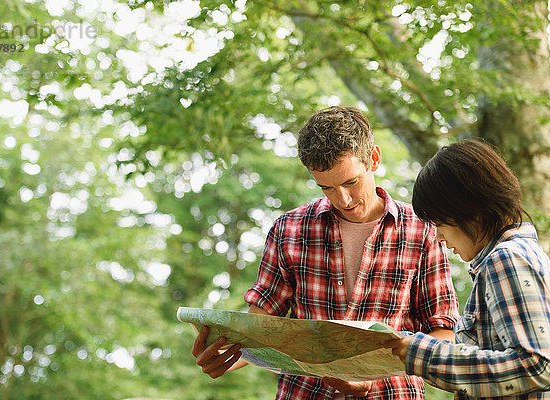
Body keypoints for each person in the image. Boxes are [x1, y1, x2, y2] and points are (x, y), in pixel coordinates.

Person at [192, 106, 460, 399]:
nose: (342, 199)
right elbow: (262, 325)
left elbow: (443, 331)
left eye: (351, 182)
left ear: (374, 159)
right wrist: (226, 355)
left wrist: (376, 373)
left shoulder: (422, 230)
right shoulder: (289, 229)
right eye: (327, 188)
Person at [385, 139, 550, 399]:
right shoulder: (515, 256)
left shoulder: (506, 260)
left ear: (470, 212)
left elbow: (538, 366)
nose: (438, 236)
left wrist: (423, 354)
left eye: (440, 223)